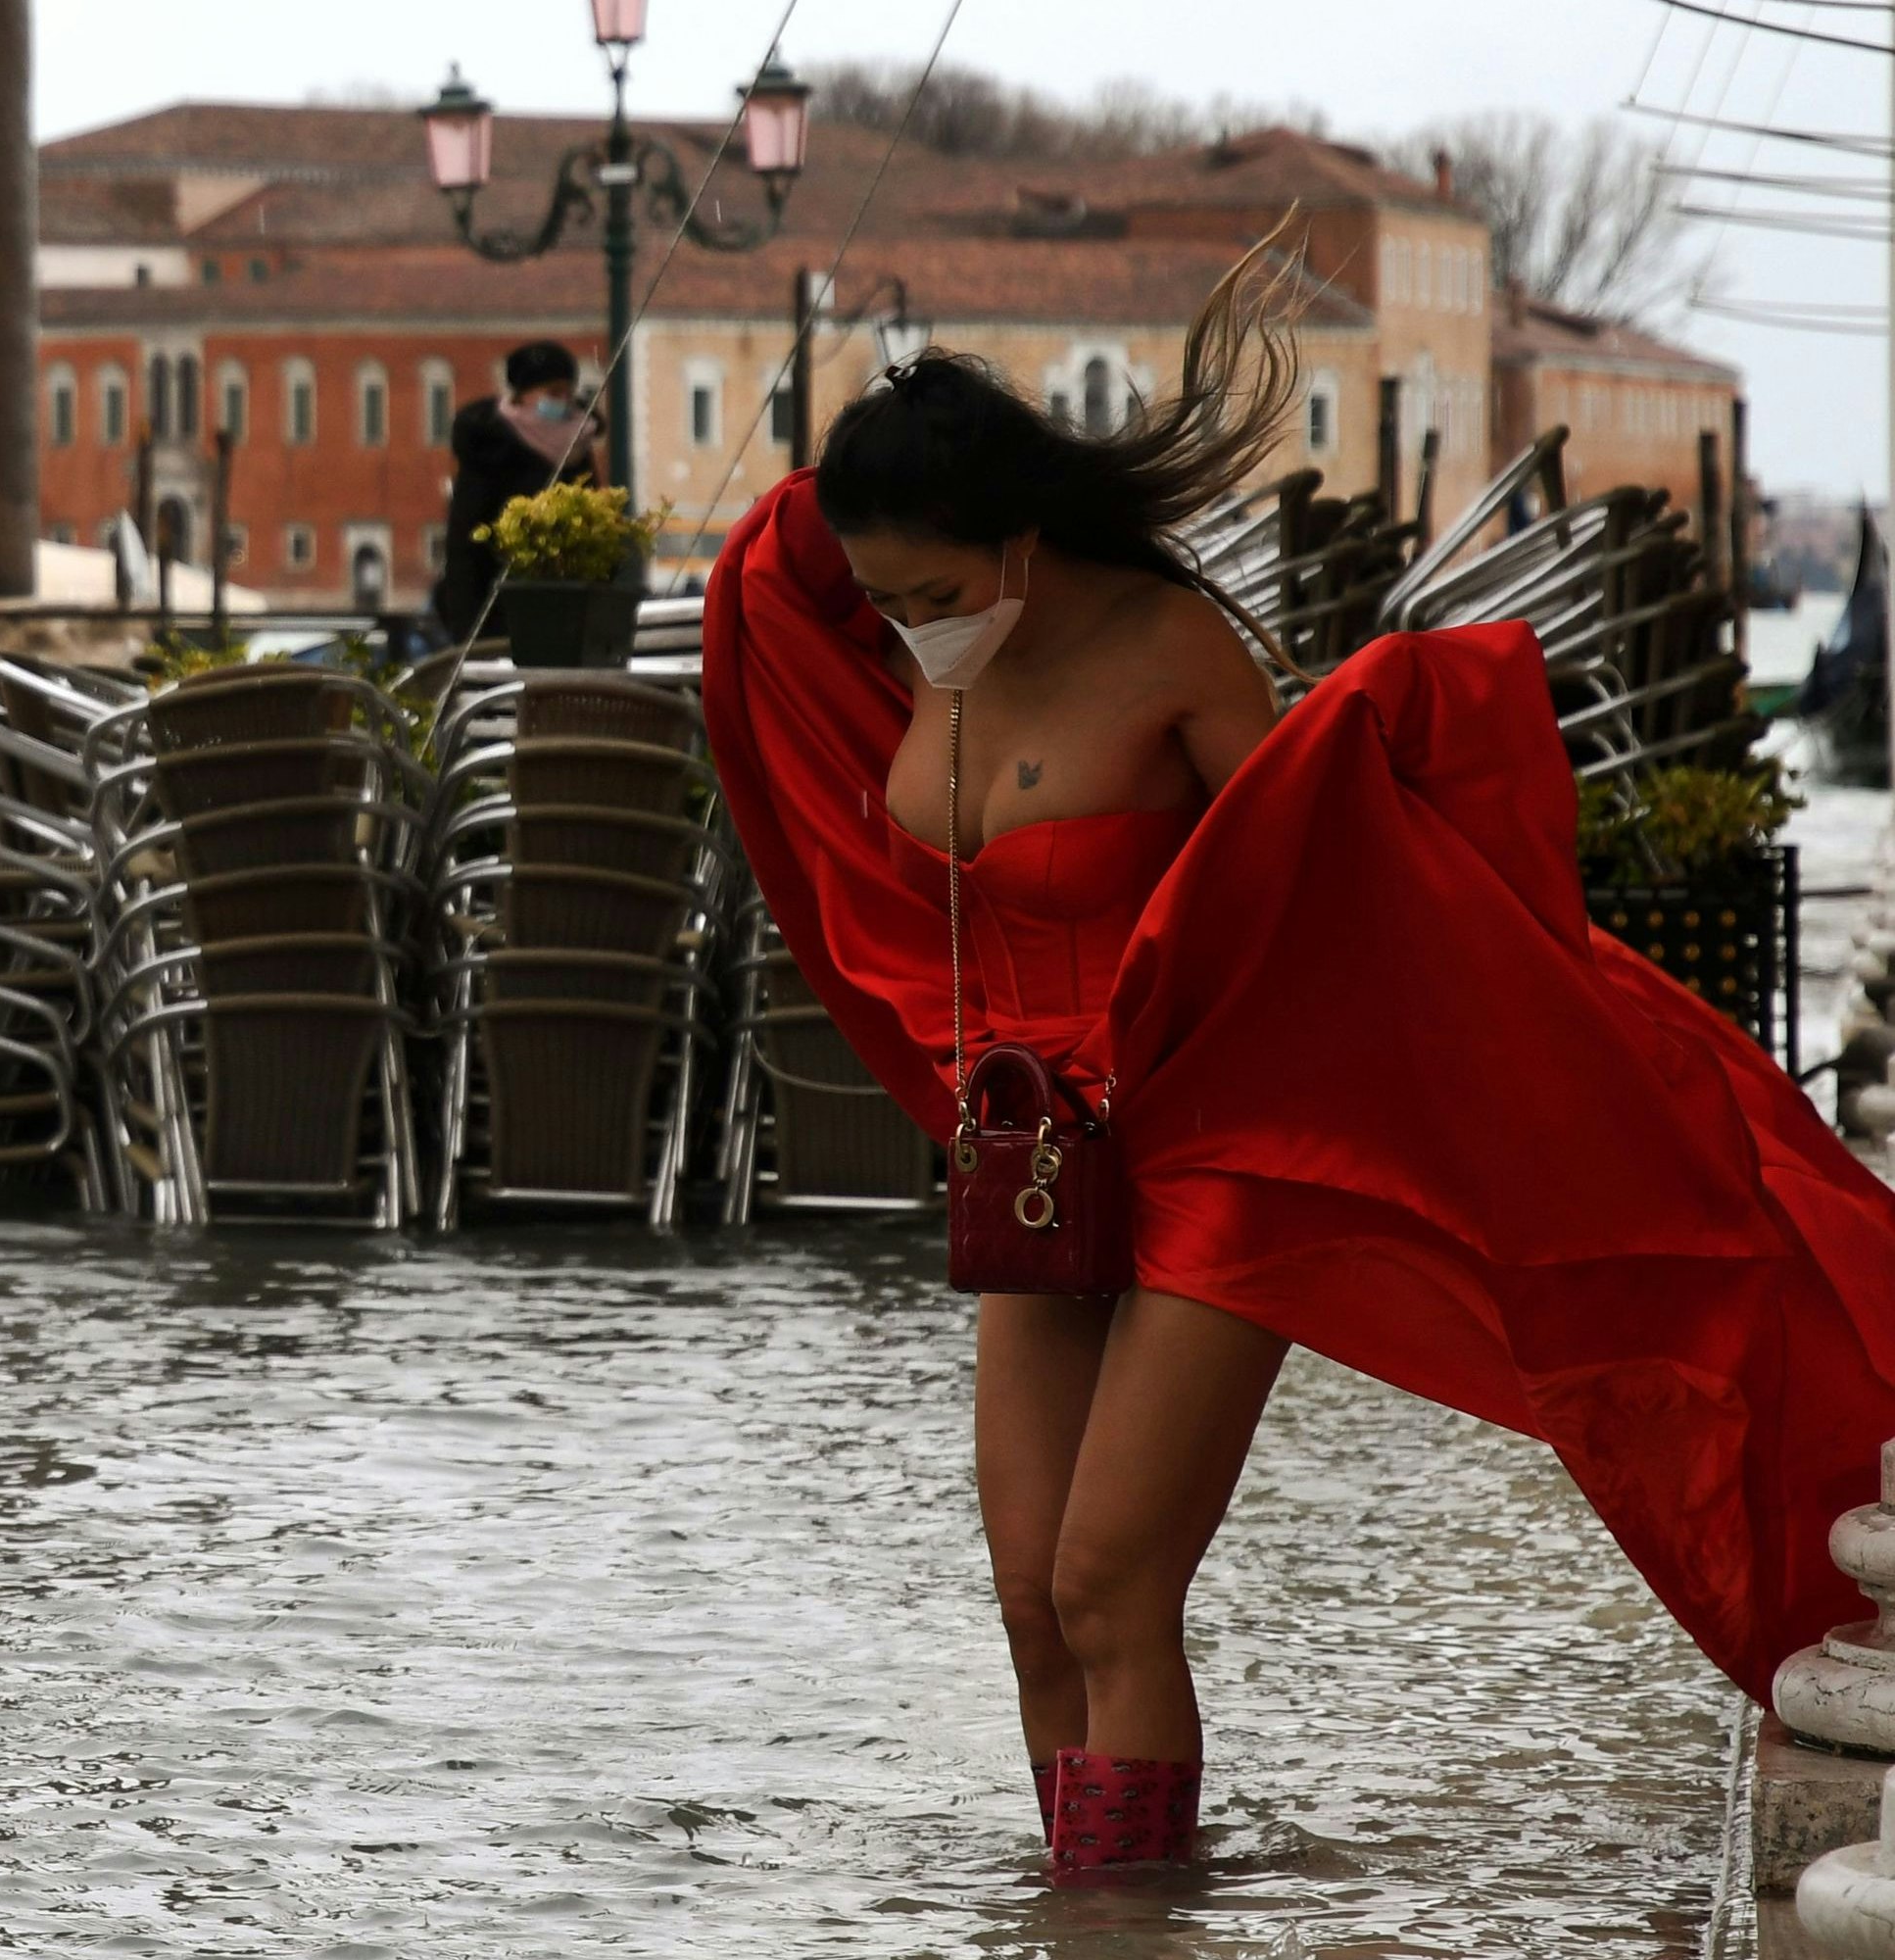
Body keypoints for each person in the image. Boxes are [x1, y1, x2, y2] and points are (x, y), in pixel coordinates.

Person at [702, 243, 1895, 1876]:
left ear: (1021, 549)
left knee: (1114, 1582)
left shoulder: (1170, 645)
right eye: (884, 602)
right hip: (1035, 1164)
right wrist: (892, 444)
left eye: (931, 594)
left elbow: (1319, 872)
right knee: (1030, 1594)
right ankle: (1092, 1908)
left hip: (1219, 1148)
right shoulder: (896, 656)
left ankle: (1132, 1913)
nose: (908, 630)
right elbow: (773, 561)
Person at [433, 340, 600, 643]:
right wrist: (468, 629)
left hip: (566, 609)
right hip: (497, 608)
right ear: (523, 395)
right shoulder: (488, 446)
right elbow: (465, 543)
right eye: (552, 393)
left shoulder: (578, 443)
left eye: (566, 392)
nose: (562, 402)